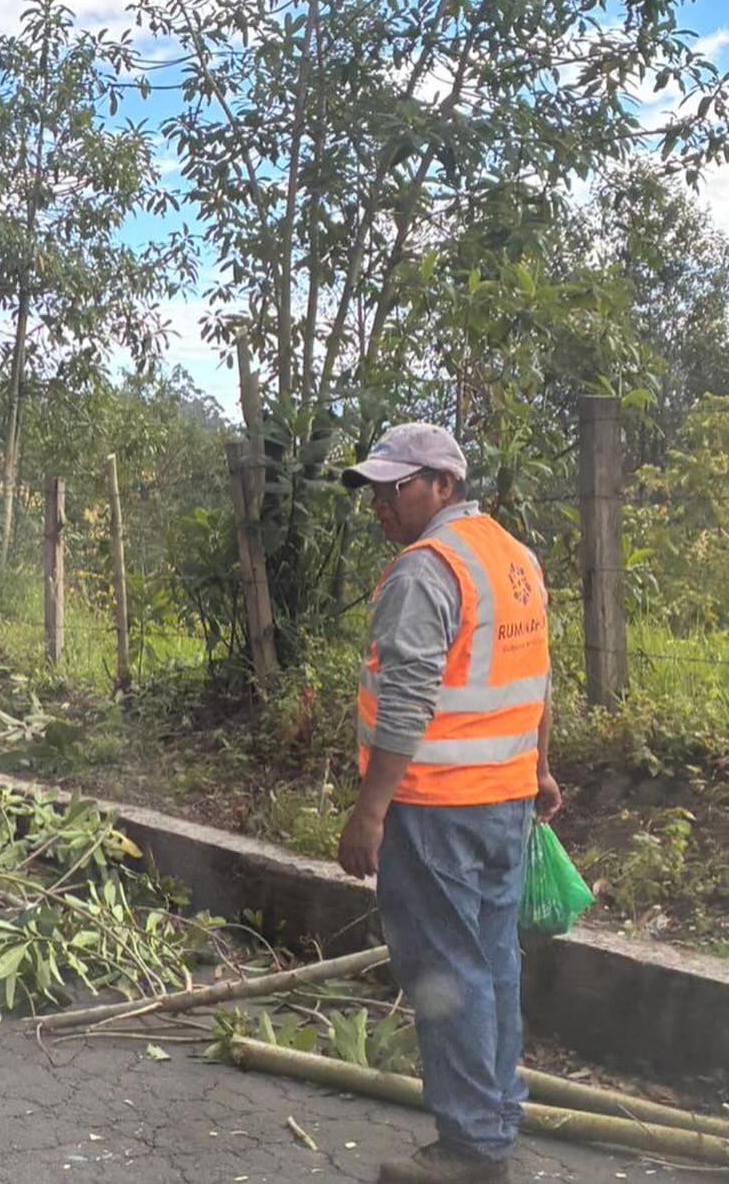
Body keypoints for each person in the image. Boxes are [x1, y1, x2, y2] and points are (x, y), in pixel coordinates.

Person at [336, 423, 562, 1184]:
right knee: (494, 962)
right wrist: (538, 767)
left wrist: (371, 810)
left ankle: (470, 1148)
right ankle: (492, 1124)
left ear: (442, 485)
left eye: (395, 487)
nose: (381, 504)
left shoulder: (425, 570)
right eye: (375, 489)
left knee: (448, 970)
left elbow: (406, 698)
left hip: (437, 808)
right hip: (503, 802)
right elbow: (536, 674)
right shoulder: (513, 558)